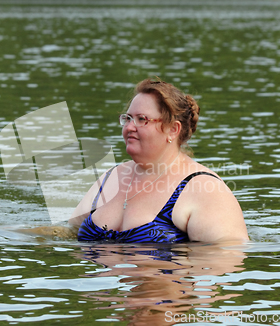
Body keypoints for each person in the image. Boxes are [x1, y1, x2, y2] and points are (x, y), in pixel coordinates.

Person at [69, 77, 248, 243]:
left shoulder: (205, 190)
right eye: (128, 118)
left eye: (142, 119)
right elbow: (68, 232)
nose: (130, 127)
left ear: (172, 130)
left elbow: (226, 259)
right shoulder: (110, 178)